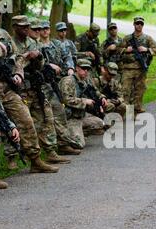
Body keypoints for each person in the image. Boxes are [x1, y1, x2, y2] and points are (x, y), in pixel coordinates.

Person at [0, 3, 58, 173]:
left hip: (7, 87)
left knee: (26, 120)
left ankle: (35, 160)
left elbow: (17, 58)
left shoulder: (4, 34)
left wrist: (18, 73)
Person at [11, 15, 69, 165]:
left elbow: (40, 65)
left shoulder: (33, 43)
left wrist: (38, 58)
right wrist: (26, 56)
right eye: (32, 29)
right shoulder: (12, 43)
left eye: (37, 28)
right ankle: (13, 156)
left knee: (47, 117)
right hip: (20, 88)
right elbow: (12, 64)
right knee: (21, 122)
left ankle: (50, 150)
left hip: (35, 86)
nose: (35, 31)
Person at [39, 20, 83, 155]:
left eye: (47, 28)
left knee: (60, 111)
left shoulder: (56, 44)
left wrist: (70, 67)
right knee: (47, 116)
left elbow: (67, 55)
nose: (45, 31)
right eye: (42, 29)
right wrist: (49, 65)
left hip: (57, 82)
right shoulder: (37, 45)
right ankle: (50, 146)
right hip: (43, 84)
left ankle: (63, 144)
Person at [59, 59, 106, 149]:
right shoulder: (68, 81)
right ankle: (66, 135)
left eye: (87, 69)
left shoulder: (86, 80)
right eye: (83, 68)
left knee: (100, 124)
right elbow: (66, 100)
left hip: (81, 115)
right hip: (70, 117)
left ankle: (78, 132)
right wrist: (85, 101)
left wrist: (102, 98)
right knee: (79, 144)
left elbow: (95, 91)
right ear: (77, 68)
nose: (86, 71)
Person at [118, 16, 156, 114]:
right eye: (137, 23)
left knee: (139, 90)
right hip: (128, 69)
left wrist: (147, 49)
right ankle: (125, 109)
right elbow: (118, 50)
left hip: (141, 69)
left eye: (141, 24)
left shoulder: (147, 38)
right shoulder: (128, 38)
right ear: (134, 24)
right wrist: (125, 50)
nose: (139, 25)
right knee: (125, 90)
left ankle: (137, 108)